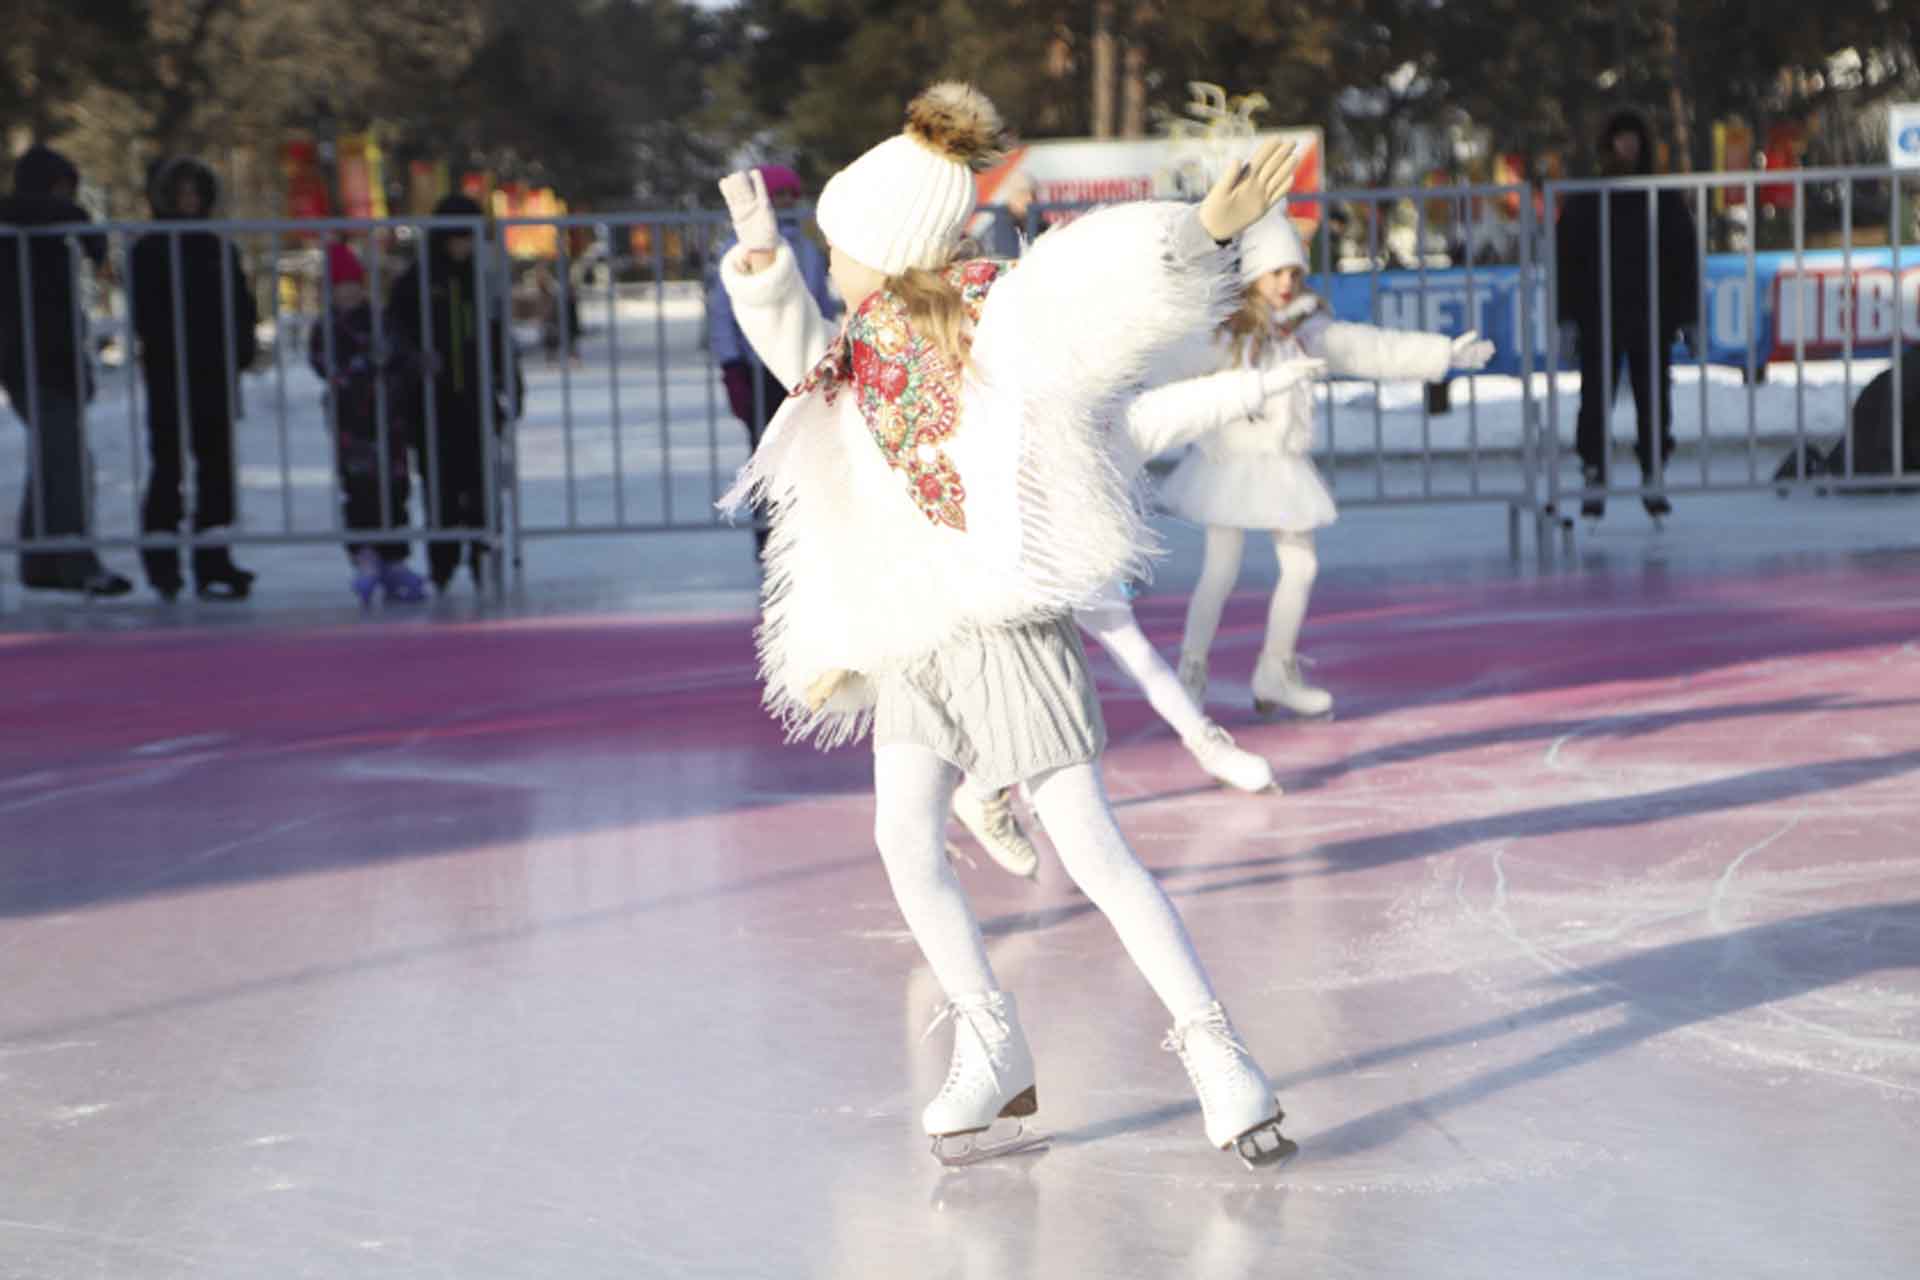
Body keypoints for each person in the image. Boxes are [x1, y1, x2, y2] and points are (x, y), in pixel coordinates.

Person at [716, 82, 1304, 1169]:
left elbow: (1091, 292)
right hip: (914, 633)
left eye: (830, 243)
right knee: (903, 836)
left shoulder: (996, 316)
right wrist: (757, 259)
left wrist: (1198, 233)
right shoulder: (859, 342)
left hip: (1004, 623)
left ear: (885, 250)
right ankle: (991, 1038)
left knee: (1091, 847)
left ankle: (1220, 1052)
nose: (821, 260)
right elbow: (791, 336)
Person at [1161, 207, 1494, 717]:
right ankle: (1191, 671)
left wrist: (1441, 355)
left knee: (1301, 565)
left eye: (1294, 272)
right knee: (1220, 570)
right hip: (1229, 464)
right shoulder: (1222, 333)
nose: (1287, 282)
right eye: (1276, 272)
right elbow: (1169, 365)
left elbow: (1366, 349)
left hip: (1280, 465)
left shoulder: (1304, 328)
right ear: (1251, 273)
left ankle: (1275, 670)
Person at [1555, 108, 1700, 522]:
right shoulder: (1588, 198)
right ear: (1609, 145)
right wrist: (1567, 318)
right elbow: (1568, 260)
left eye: (1635, 138)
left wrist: (1687, 317)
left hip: (1651, 318)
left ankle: (1653, 473)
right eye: (1621, 138)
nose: (1629, 146)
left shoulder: (1662, 196)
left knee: (1654, 401)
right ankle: (1594, 474)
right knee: (1594, 402)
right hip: (1599, 320)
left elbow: (1682, 259)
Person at [0, 144, 130, 596]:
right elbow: (34, 211)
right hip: (35, 359)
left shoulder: (40, 233)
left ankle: (40, 559)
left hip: (46, 358)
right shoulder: (23, 225)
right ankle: (76, 562)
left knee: (55, 456)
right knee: (66, 461)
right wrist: (78, 219)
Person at [130, 156, 260, 600]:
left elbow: (241, 305)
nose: (188, 202)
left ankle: (213, 560)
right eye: (180, 194)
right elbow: (144, 314)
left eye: (195, 194)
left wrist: (240, 350)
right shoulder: (149, 250)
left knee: (216, 465)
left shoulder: (217, 248)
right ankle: (163, 564)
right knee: (168, 465)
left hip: (213, 370)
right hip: (169, 371)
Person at [388, 194, 521, 592]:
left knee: (481, 480)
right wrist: (415, 363)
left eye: (471, 237)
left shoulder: (483, 279)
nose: (465, 246)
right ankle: (442, 560)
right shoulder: (417, 280)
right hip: (433, 403)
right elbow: (398, 331)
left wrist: (509, 380)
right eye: (459, 237)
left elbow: (498, 333)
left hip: (477, 400)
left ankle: (484, 550)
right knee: (439, 484)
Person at [705, 164, 833, 561]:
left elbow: (820, 304)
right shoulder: (739, 252)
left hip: (804, 366)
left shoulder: (806, 250)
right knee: (767, 450)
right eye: (781, 197)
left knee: (808, 449)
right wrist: (731, 365)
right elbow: (723, 313)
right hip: (757, 367)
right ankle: (769, 534)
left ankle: (804, 529)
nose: (788, 205)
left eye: (792, 197)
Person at [310, 243, 428, 606]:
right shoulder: (327, 327)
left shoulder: (380, 319)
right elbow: (323, 363)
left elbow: (400, 354)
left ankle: (394, 556)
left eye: (353, 285)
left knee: (394, 489)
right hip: (353, 427)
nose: (349, 293)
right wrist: (355, 370)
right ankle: (364, 552)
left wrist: (405, 365)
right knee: (359, 491)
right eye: (340, 287)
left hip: (388, 423)